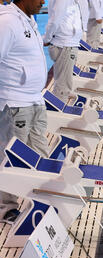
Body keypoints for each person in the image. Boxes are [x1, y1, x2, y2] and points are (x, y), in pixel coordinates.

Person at [0, 0, 48, 222]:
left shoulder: (28, 20)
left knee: (40, 155)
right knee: (10, 157)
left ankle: (42, 201)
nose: (44, 2)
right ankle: (4, 207)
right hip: (15, 103)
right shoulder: (8, 22)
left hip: (35, 100)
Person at [43, 0, 88, 102]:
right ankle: (57, 113)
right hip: (65, 44)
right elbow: (55, 20)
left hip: (67, 43)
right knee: (62, 89)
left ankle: (60, 102)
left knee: (62, 84)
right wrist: (47, 38)